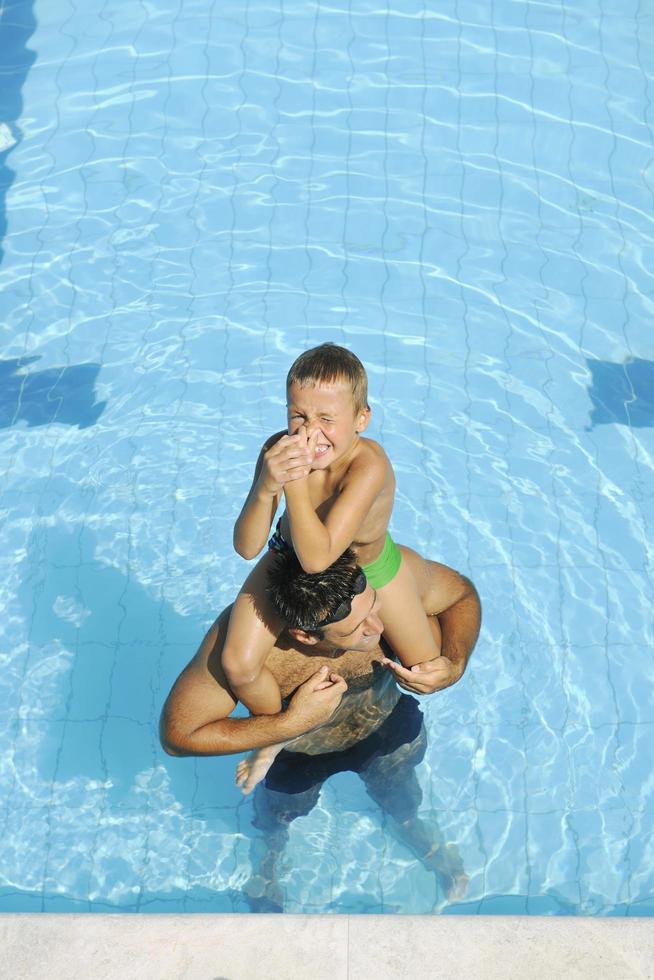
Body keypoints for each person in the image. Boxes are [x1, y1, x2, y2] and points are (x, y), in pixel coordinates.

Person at [160, 543, 481, 909]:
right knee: (277, 819)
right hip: (298, 752)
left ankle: (414, 829)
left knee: (401, 797)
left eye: (373, 606)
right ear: (305, 635)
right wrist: (290, 722)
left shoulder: (392, 579)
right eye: (357, 629)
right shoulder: (250, 651)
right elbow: (177, 736)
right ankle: (269, 863)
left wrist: (455, 661)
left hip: (384, 725)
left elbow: (461, 595)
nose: (378, 627)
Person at [220, 343, 443, 783]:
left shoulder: (368, 463)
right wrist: (267, 485)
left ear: (361, 419)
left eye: (327, 420)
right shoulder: (278, 450)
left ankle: (425, 591)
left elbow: (321, 557)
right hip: (288, 559)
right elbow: (246, 547)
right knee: (238, 665)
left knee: (424, 668)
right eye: (298, 416)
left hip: (366, 567)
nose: (310, 433)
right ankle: (279, 734)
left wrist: (295, 485)